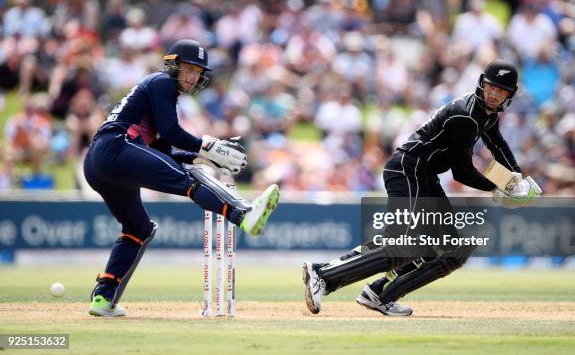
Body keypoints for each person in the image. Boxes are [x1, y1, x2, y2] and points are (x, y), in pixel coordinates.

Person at [303, 59, 541, 316]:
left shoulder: (485, 115)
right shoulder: (465, 116)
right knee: (402, 245)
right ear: (481, 83)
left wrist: (518, 180)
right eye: (491, 86)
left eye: (501, 90)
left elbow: (499, 146)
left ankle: (380, 293)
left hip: (424, 176)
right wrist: (498, 188)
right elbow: (462, 172)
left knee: (450, 250)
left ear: (510, 95)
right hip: (408, 168)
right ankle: (323, 275)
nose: (494, 93)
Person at [85, 39, 280, 317]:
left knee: (139, 228)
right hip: (117, 147)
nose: (193, 77)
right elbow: (173, 132)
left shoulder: (160, 97)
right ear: (172, 65)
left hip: (100, 163)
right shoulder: (161, 83)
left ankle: (103, 298)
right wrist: (207, 146)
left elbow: (164, 151)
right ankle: (242, 215)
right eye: (188, 69)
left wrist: (202, 155)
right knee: (194, 179)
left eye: (198, 72)